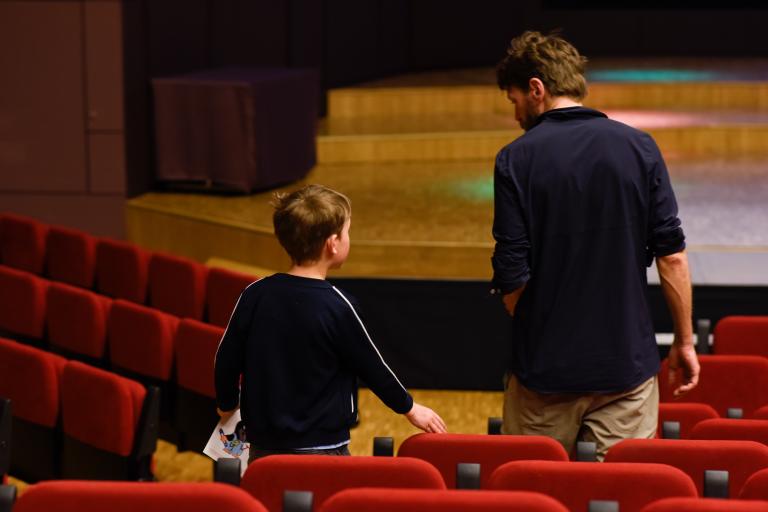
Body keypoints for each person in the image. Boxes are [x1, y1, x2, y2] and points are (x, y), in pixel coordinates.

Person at [491, 31, 700, 460]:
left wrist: (535, 325)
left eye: (514, 101)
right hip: (625, 367)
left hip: (544, 371)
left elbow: (512, 272)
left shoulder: (516, 159)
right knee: (617, 493)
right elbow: (672, 255)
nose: (515, 115)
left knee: (535, 492)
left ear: (536, 89)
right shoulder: (640, 147)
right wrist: (684, 341)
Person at [215, 184, 447, 462]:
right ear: (333, 244)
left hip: (262, 446)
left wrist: (227, 405)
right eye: (347, 232)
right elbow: (373, 366)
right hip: (324, 447)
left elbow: (226, 358)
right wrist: (409, 408)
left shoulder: (254, 293)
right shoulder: (339, 305)